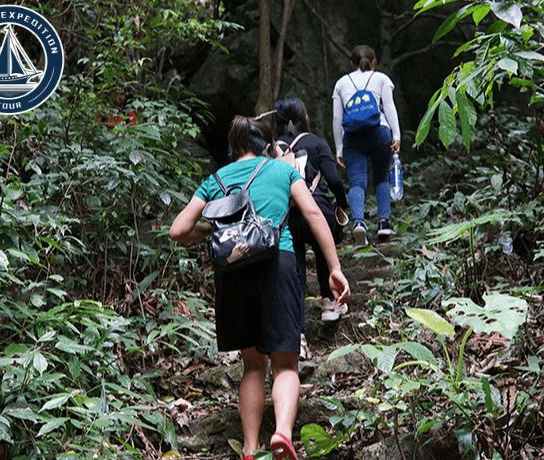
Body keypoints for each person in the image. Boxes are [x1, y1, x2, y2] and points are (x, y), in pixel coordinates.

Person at [169, 115, 351, 460]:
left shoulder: (216, 179)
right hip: (277, 264)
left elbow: (178, 230)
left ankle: (250, 449)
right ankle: (282, 433)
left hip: (233, 272)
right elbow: (313, 214)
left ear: (234, 146)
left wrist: (213, 233)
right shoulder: (282, 171)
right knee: (285, 362)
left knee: (253, 365)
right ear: (265, 145)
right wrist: (335, 268)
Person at [274, 96, 349, 326]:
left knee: (295, 266)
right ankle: (328, 302)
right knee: (322, 248)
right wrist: (341, 204)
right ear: (304, 118)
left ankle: (298, 328)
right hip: (318, 207)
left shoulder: (272, 148)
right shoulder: (317, 143)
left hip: (289, 214)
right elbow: (335, 180)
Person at [332, 44, 401, 245]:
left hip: (353, 136)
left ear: (352, 64)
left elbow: (337, 117)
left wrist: (338, 148)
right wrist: (396, 135)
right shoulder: (382, 79)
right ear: (374, 63)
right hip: (380, 132)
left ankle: (359, 224)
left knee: (357, 182)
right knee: (381, 178)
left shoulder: (341, 83)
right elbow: (389, 106)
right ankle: (384, 223)